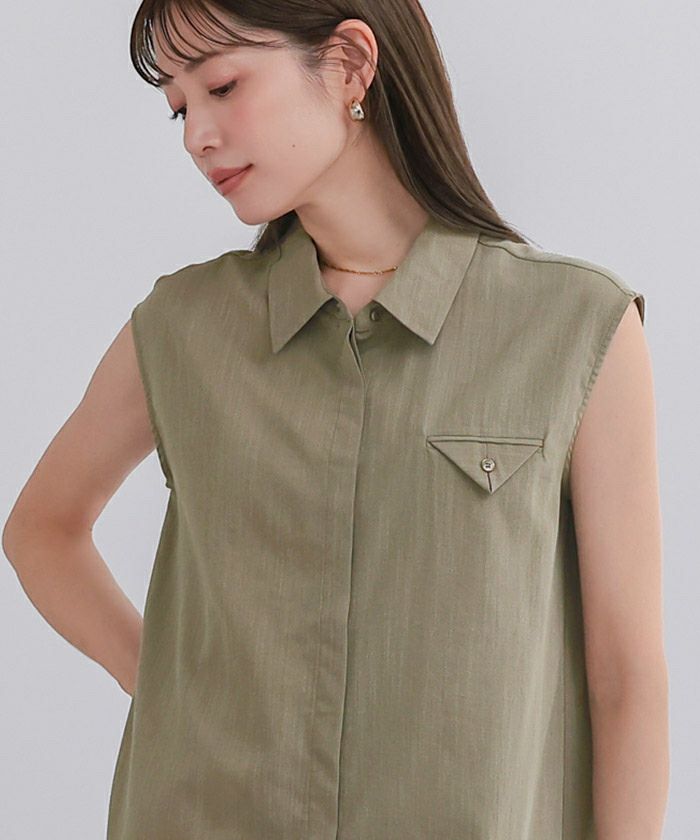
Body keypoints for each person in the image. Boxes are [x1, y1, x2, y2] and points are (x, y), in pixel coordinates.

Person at [2, 1, 668, 838]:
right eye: (178, 108)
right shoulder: (182, 327)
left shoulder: (575, 326)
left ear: (350, 64)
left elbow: (625, 677)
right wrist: (168, 688)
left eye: (222, 86)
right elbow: (42, 530)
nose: (196, 137)